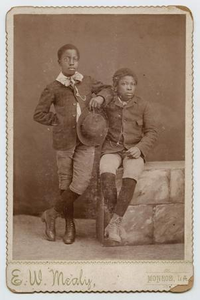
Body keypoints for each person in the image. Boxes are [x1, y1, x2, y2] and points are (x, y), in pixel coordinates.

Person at [33, 44, 112, 244]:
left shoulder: (87, 82)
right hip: (64, 141)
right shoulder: (53, 87)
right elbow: (39, 114)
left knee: (81, 181)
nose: (71, 62)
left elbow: (108, 89)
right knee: (65, 183)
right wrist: (58, 120)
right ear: (59, 61)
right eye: (67, 58)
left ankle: (51, 214)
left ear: (78, 61)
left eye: (75, 58)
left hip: (87, 139)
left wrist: (101, 97)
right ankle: (69, 225)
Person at [99, 68, 158, 244]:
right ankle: (114, 224)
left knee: (130, 176)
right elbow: (101, 91)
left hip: (134, 151)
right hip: (112, 149)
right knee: (106, 171)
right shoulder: (108, 103)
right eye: (124, 84)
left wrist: (140, 148)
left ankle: (114, 223)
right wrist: (102, 96)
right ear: (116, 86)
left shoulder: (143, 105)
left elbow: (152, 132)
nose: (129, 88)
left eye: (132, 84)